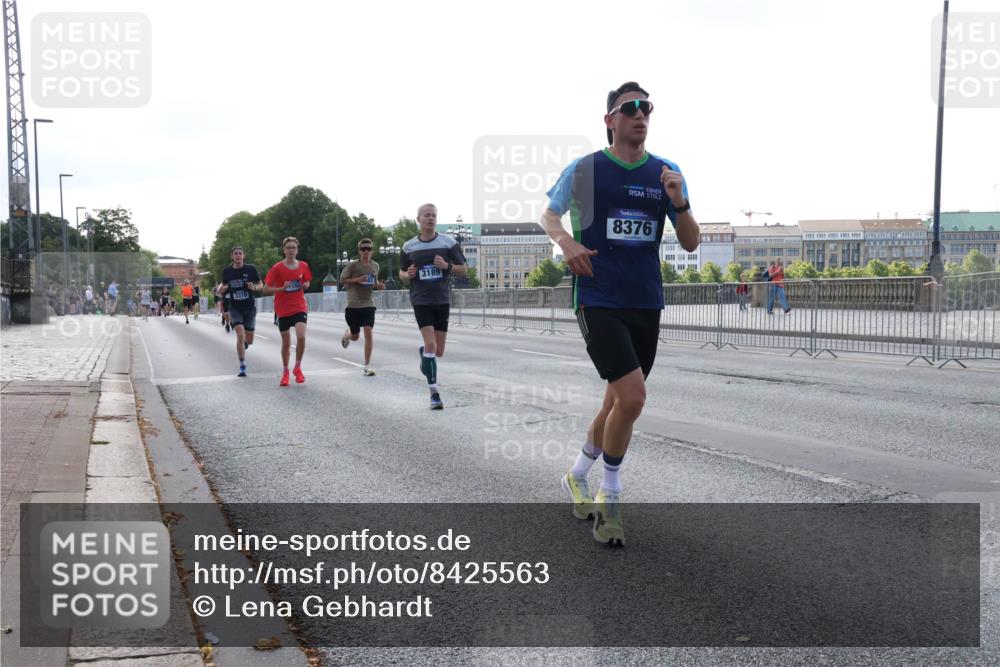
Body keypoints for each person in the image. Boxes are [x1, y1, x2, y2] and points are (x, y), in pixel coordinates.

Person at [541, 81, 699, 546]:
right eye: (629, 108)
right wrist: (565, 241)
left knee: (615, 403)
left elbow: (691, 241)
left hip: (645, 301)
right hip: (597, 297)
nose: (640, 114)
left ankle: (577, 475)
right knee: (632, 398)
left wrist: (680, 200)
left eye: (646, 108)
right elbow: (550, 216)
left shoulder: (666, 174)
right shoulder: (587, 170)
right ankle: (610, 501)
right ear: (610, 120)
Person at [399, 203, 468, 409]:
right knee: (431, 345)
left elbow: (464, 270)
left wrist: (446, 266)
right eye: (427, 215)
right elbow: (401, 273)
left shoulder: (448, 243)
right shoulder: (408, 247)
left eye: (434, 215)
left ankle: (425, 357)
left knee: (438, 352)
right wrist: (407, 274)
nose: (431, 218)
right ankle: (434, 394)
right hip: (421, 300)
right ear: (418, 219)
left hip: (442, 300)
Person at [263, 236, 312, 386]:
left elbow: (307, 282)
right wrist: (281, 288)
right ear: (284, 250)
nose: (291, 250)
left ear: (297, 250)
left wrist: (304, 285)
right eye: (288, 247)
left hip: (299, 306)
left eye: (294, 247)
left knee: (301, 337)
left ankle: (297, 367)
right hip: (282, 308)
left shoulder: (303, 265)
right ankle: (285, 371)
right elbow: (265, 289)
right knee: (286, 342)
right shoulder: (277, 268)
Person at [340, 238, 385, 376]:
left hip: (368, 304)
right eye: (363, 249)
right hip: (353, 305)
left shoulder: (375, 266)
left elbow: (374, 282)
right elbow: (342, 280)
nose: (366, 251)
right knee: (355, 337)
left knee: (368, 332)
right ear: (359, 251)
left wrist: (379, 286)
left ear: (372, 251)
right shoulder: (353, 266)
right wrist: (357, 280)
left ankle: (367, 366)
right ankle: (348, 335)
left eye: (369, 249)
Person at [219, 245, 262, 377]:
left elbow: (261, 285)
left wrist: (254, 287)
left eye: (240, 253)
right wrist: (222, 289)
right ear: (232, 256)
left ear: (244, 256)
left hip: (249, 308)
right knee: (240, 333)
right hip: (235, 308)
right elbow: (223, 286)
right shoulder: (227, 271)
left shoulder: (251, 269)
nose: (238, 255)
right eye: (235, 253)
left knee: (249, 340)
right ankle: (242, 365)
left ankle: (244, 344)